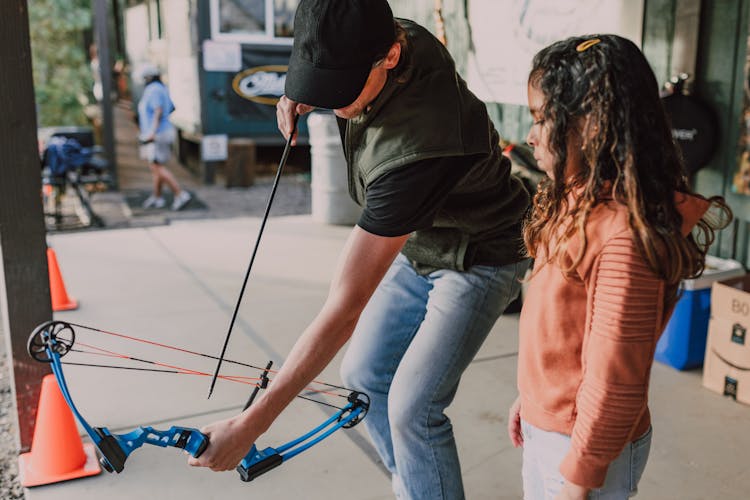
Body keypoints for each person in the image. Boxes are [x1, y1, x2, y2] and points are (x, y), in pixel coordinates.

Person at [189, 1, 530, 498]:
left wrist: (251, 425)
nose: (332, 103)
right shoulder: (393, 34)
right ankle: (418, 484)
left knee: (414, 410)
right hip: (422, 237)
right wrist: (299, 91)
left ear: (390, 56)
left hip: (479, 253)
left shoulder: (417, 150)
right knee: (366, 374)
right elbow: (328, 52)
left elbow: (343, 309)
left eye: (339, 87)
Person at [507, 35, 732, 500]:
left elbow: (615, 379)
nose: (530, 136)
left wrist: (578, 478)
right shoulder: (576, 199)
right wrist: (531, 400)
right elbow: (560, 335)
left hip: (585, 447)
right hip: (553, 426)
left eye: (541, 119)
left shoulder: (623, 236)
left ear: (590, 126)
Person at [137, 63, 191, 211]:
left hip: (156, 134)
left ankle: (180, 194)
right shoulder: (162, 88)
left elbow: (158, 111)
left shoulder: (153, 90)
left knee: (157, 166)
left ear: (148, 77)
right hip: (164, 131)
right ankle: (157, 197)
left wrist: (152, 133)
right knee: (155, 167)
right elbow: (171, 107)